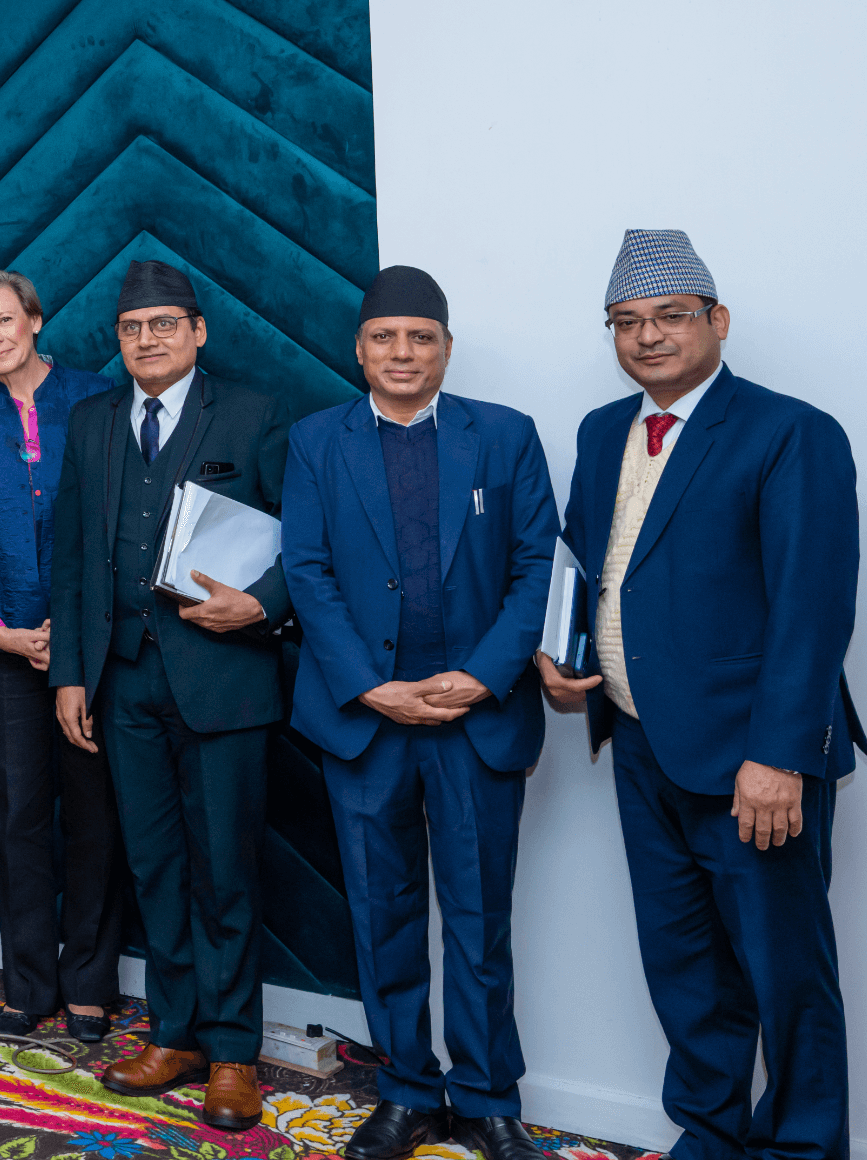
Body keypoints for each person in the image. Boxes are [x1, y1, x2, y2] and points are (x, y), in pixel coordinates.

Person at [537, 230, 859, 1160]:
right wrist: (560, 664)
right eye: (626, 322)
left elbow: (813, 606)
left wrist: (780, 756)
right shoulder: (604, 432)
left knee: (786, 973)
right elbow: (584, 562)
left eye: (671, 317)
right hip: (640, 745)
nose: (648, 338)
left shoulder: (790, 432)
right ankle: (711, 1133)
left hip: (752, 759)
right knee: (685, 967)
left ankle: (803, 1146)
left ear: (717, 321)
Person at [279, 268, 557, 1160]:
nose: (404, 353)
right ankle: (405, 1088)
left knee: (479, 918)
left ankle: (484, 1097)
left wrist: (482, 676)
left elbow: (536, 567)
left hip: (477, 718)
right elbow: (307, 570)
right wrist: (369, 685)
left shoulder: (506, 437)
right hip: (367, 722)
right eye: (386, 338)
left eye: (421, 338)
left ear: (445, 346)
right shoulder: (317, 442)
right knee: (381, 911)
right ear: (358, 348)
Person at [47, 260, 292, 1130]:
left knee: (224, 871)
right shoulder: (93, 420)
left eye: (163, 324)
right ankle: (177, 1031)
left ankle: (232, 1052)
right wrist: (71, 672)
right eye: (131, 328)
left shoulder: (255, 412)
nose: (146, 339)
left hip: (223, 679)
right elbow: (73, 555)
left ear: (197, 331)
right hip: (121, 680)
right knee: (153, 865)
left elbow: (305, 542)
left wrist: (262, 607)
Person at [0, 270, 125, 1043]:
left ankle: (90, 986)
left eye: (5, 320)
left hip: (91, 651)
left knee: (93, 820)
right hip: (2, 654)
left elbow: (114, 522)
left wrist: (71, 635)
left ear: (36, 321)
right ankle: (27, 985)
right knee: (17, 823)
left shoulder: (95, 396)